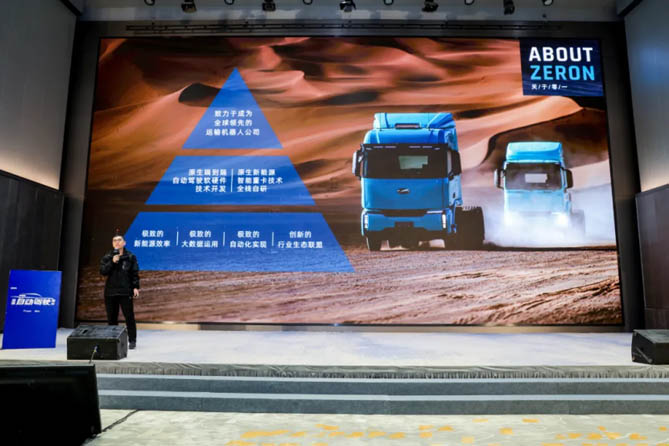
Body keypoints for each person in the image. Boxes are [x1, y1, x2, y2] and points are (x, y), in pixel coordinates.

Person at [100, 234, 140, 349]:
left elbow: (134, 273)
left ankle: (132, 340)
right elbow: (103, 271)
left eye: (119, 240)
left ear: (124, 243)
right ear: (112, 243)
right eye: (114, 240)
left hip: (125, 291)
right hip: (111, 292)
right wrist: (112, 262)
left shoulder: (130, 257)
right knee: (112, 318)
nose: (117, 242)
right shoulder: (108, 256)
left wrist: (135, 287)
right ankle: (113, 340)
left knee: (129, 317)